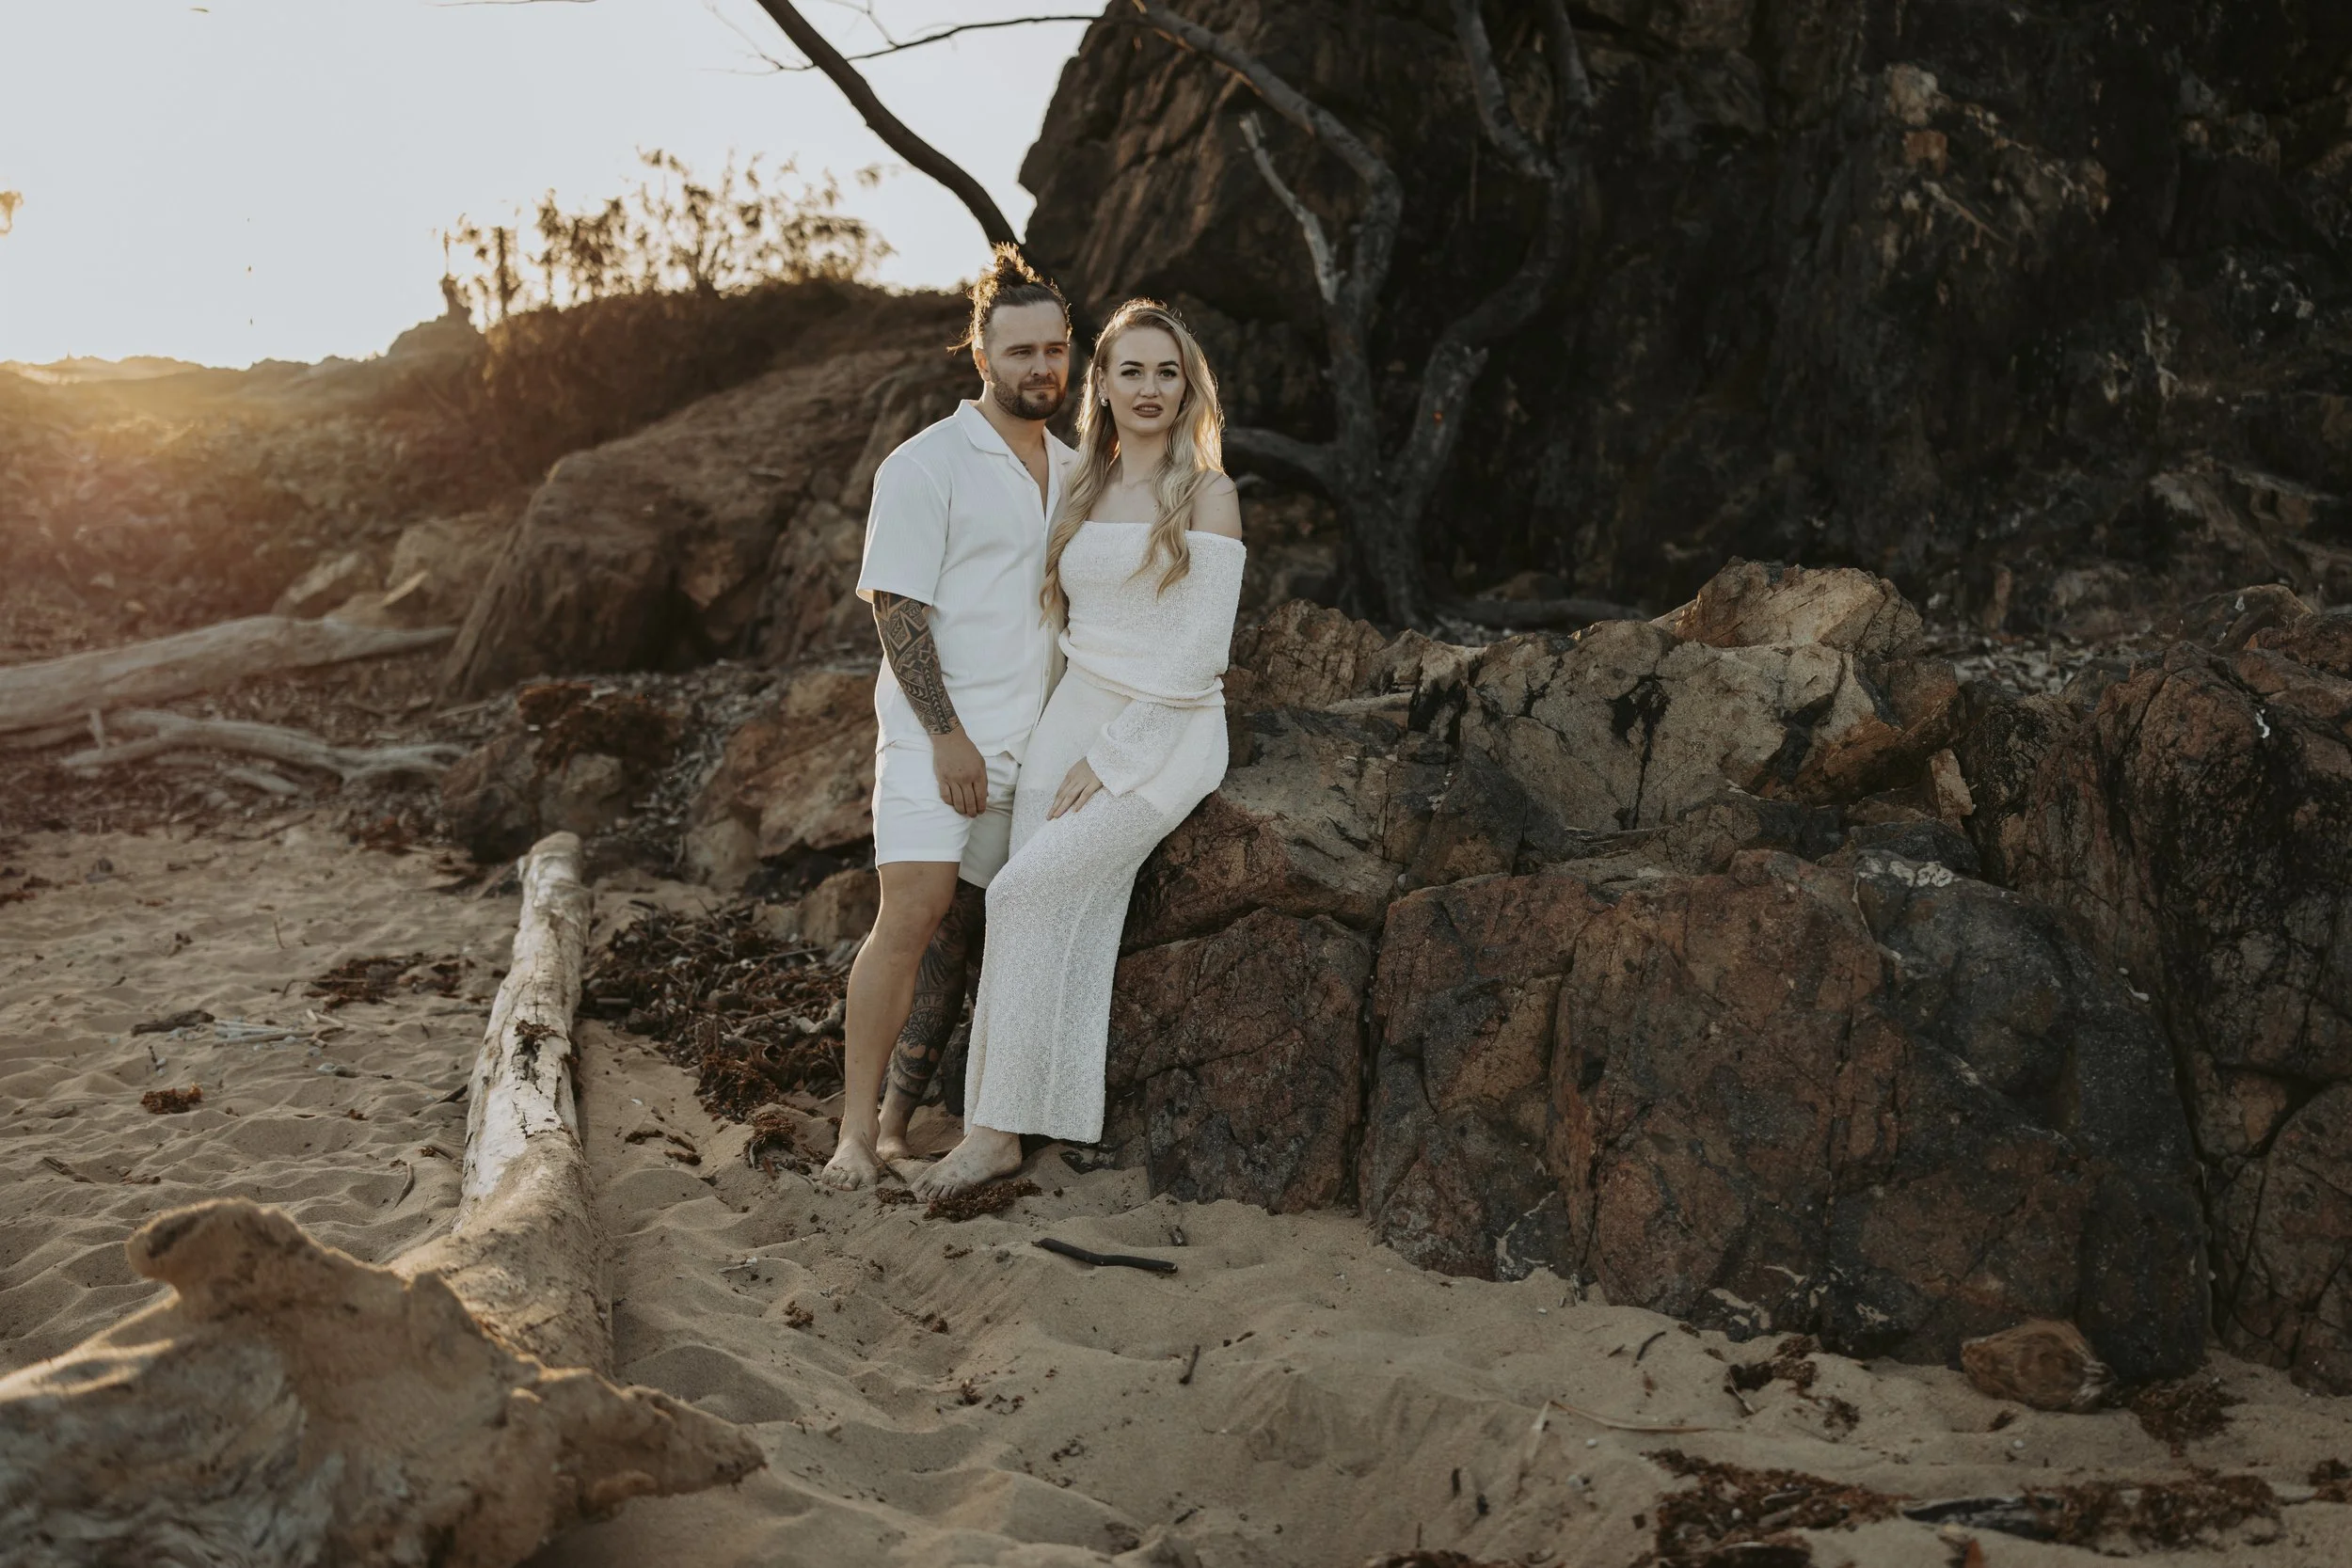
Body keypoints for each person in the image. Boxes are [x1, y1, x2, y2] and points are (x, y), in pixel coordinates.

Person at [914, 300, 1245, 1199]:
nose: (1149, 389)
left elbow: (1200, 650)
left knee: (1021, 893)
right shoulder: (1083, 486)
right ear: (1099, 382)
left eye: (1167, 372)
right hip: (1072, 716)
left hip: (1166, 726)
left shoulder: (1209, 493)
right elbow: (1051, 622)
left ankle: (992, 1137)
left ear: (1188, 388)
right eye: (1130, 371)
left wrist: (1116, 755)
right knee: (1033, 909)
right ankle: (1015, 1112)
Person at [820, 245, 1075, 1191]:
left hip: (1040, 749)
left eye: (1053, 348)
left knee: (1000, 932)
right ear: (981, 352)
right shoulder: (925, 462)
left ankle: (952, 1124)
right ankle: (854, 1137)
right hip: (937, 742)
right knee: (915, 914)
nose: (1038, 367)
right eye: (1019, 351)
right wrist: (947, 735)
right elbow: (895, 607)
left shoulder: (1080, 471)